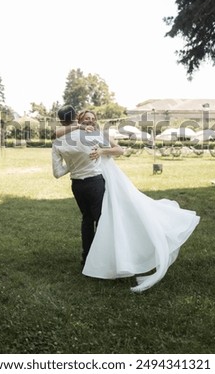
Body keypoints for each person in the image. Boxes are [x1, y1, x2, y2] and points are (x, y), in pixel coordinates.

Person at [54, 108, 200, 294]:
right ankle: (92, 257)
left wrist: (102, 151)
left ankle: (106, 257)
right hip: (94, 180)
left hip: (108, 179)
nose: (90, 121)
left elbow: (120, 150)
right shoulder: (74, 136)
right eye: (86, 119)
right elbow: (56, 135)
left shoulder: (98, 134)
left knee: (109, 216)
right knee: (92, 218)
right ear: (80, 120)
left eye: (92, 119)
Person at [52, 105, 123, 266]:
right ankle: (104, 259)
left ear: (61, 120)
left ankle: (87, 258)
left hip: (77, 185)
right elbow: (120, 150)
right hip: (95, 183)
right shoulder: (92, 134)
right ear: (77, 116)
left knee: (87, 219)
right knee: (101, 219)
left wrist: (72, 165)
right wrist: (101, 152)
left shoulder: (57, 142)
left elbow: (57, 173)